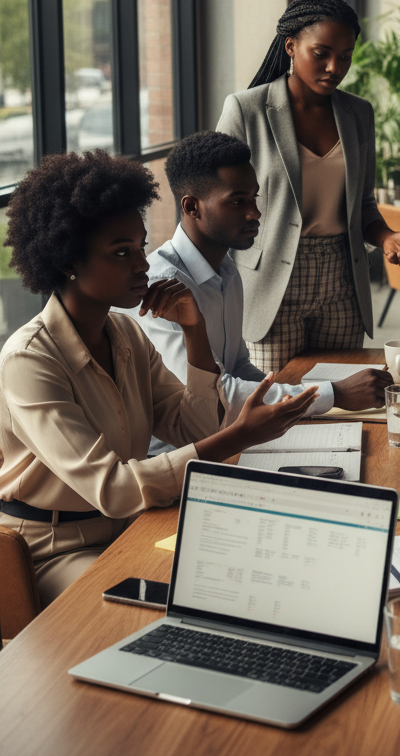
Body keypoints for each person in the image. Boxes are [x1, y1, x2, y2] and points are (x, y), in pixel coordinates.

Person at [0, 152, 317, 605]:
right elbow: (113, 488)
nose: (142, 265)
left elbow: (195, 428)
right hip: (54, 551)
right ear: (68, 260)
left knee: (240, 573)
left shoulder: (125, 332)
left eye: (140, 246)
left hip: (135, 522)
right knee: (164, 605)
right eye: (121, 252)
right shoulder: (29, 362)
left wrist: (195, 331)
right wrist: (237, 437)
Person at [133, 131, 392, 456]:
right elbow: (206, 397)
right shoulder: (163, 287)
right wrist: (331, 394)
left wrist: (307, 399)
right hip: (176, 458)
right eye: (237, 201)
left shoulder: (227, 271)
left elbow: (239, 366)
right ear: (192, 207)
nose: (255, 213)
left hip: (225, 437)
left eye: (254, 198)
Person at [216, 0, 400, 371]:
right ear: (291, 46)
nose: (335, 67)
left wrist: (386, 236)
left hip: (342, 282)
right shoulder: (246, 110)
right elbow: (217, 200)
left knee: (343, 400)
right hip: (271, 283)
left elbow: (362, 204)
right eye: (322, 53)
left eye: (345, 56)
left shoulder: (358, 113)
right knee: (275, 407)